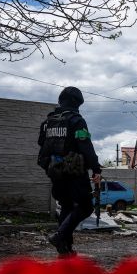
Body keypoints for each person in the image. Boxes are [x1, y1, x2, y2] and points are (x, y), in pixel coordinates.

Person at [37, 86, 101, 256]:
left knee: (66, 205)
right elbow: (85, 146)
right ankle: (59, 236)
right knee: (86, 207)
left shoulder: (48, 122)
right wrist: (96, 169)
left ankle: (65, 249)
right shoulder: (76, 120)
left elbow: (41, 144)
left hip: (55, 171)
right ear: (76, 103)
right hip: (74, 172)